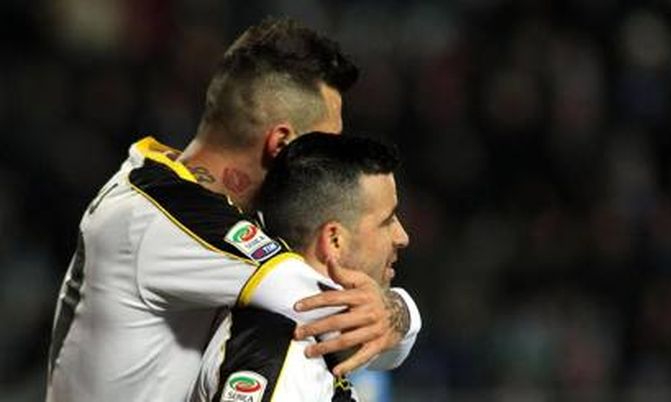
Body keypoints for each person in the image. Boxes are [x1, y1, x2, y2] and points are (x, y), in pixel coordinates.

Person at [46, 17, 420, 402]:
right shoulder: (154, 217)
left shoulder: (202, 204)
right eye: (325, 143)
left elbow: (365, 340)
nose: (333, 161)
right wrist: (399, 312)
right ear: (281, 143)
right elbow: (334, 316)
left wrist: (396, 315)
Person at [189, 133, 418, 402]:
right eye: (387, 220)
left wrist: (398, 312)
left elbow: (393, 344)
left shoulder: (319, 330)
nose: (402, 237)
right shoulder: (286, 355)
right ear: (334, 240)